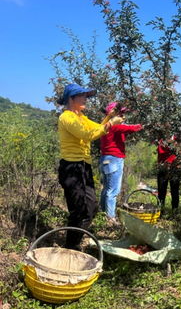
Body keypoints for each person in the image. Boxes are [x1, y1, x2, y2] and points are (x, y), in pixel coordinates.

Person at [57, 83, 123, 250]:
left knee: (91, 207)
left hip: (83, 167)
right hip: (71, 168)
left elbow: (96, 127)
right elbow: (87, 134)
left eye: (86, 96)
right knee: (78, 210)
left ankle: (75, 242)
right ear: (71, 98)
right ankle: (71, 247)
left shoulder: (81, 116)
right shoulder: (67, 117)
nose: (86, 99)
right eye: (82, 96)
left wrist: (110, 117)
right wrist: (110, 124)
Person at [99, 102, 142, 224]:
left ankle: (103, 213)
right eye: (121, 113)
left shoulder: (105, 125)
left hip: (105, 159)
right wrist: (145, 125)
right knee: (113, 191)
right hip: (114, 159)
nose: (123, 116)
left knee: (106, 189)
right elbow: (132, 128)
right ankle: (110, 218)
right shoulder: (115, 126)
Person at [156, 136, 181, 214]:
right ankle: (160, 211)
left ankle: (175, 211)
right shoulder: (161, 139)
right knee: (161, 191)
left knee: (175, 191)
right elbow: (160, 152)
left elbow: (180, 152)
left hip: (174, 168)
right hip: (163, 168)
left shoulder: (178, 138)